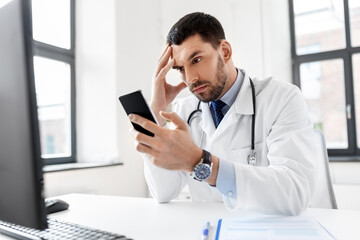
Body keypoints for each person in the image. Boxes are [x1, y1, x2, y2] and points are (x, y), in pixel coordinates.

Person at [128, 12, 317, 215]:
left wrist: (200, 162)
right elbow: (163, 192)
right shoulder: (185, 110)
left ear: (225, 51)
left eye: (197, 59)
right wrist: (156, 112)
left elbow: (295, 192)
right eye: (180, 69)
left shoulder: (282, 98)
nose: (190, 78)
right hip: (205, 230)